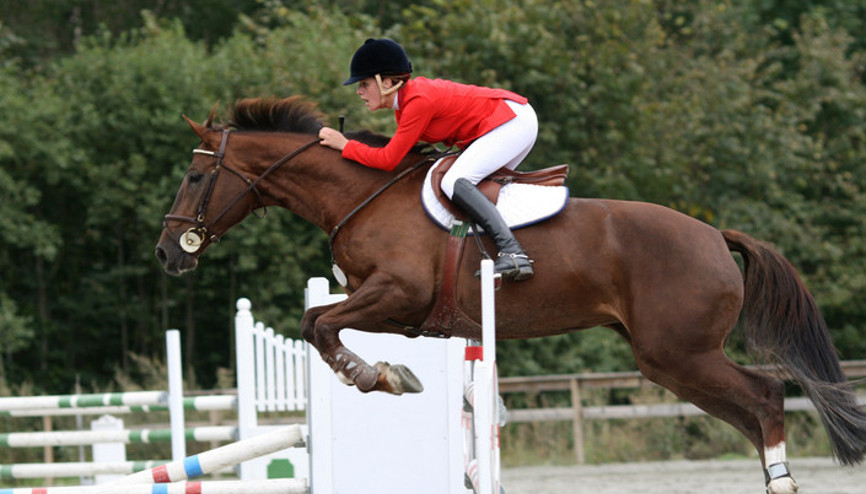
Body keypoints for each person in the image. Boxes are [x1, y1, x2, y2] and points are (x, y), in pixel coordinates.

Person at [319, 38, 537, 281]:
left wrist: (345, 145)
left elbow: (388, 159)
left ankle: (514, 253)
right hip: (508, 121)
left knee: (454, 182)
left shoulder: (417, 102)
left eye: (364, 83)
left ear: (387, 82)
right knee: (468, 189)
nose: (359, 91)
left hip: (511, 121)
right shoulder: (405, 108)